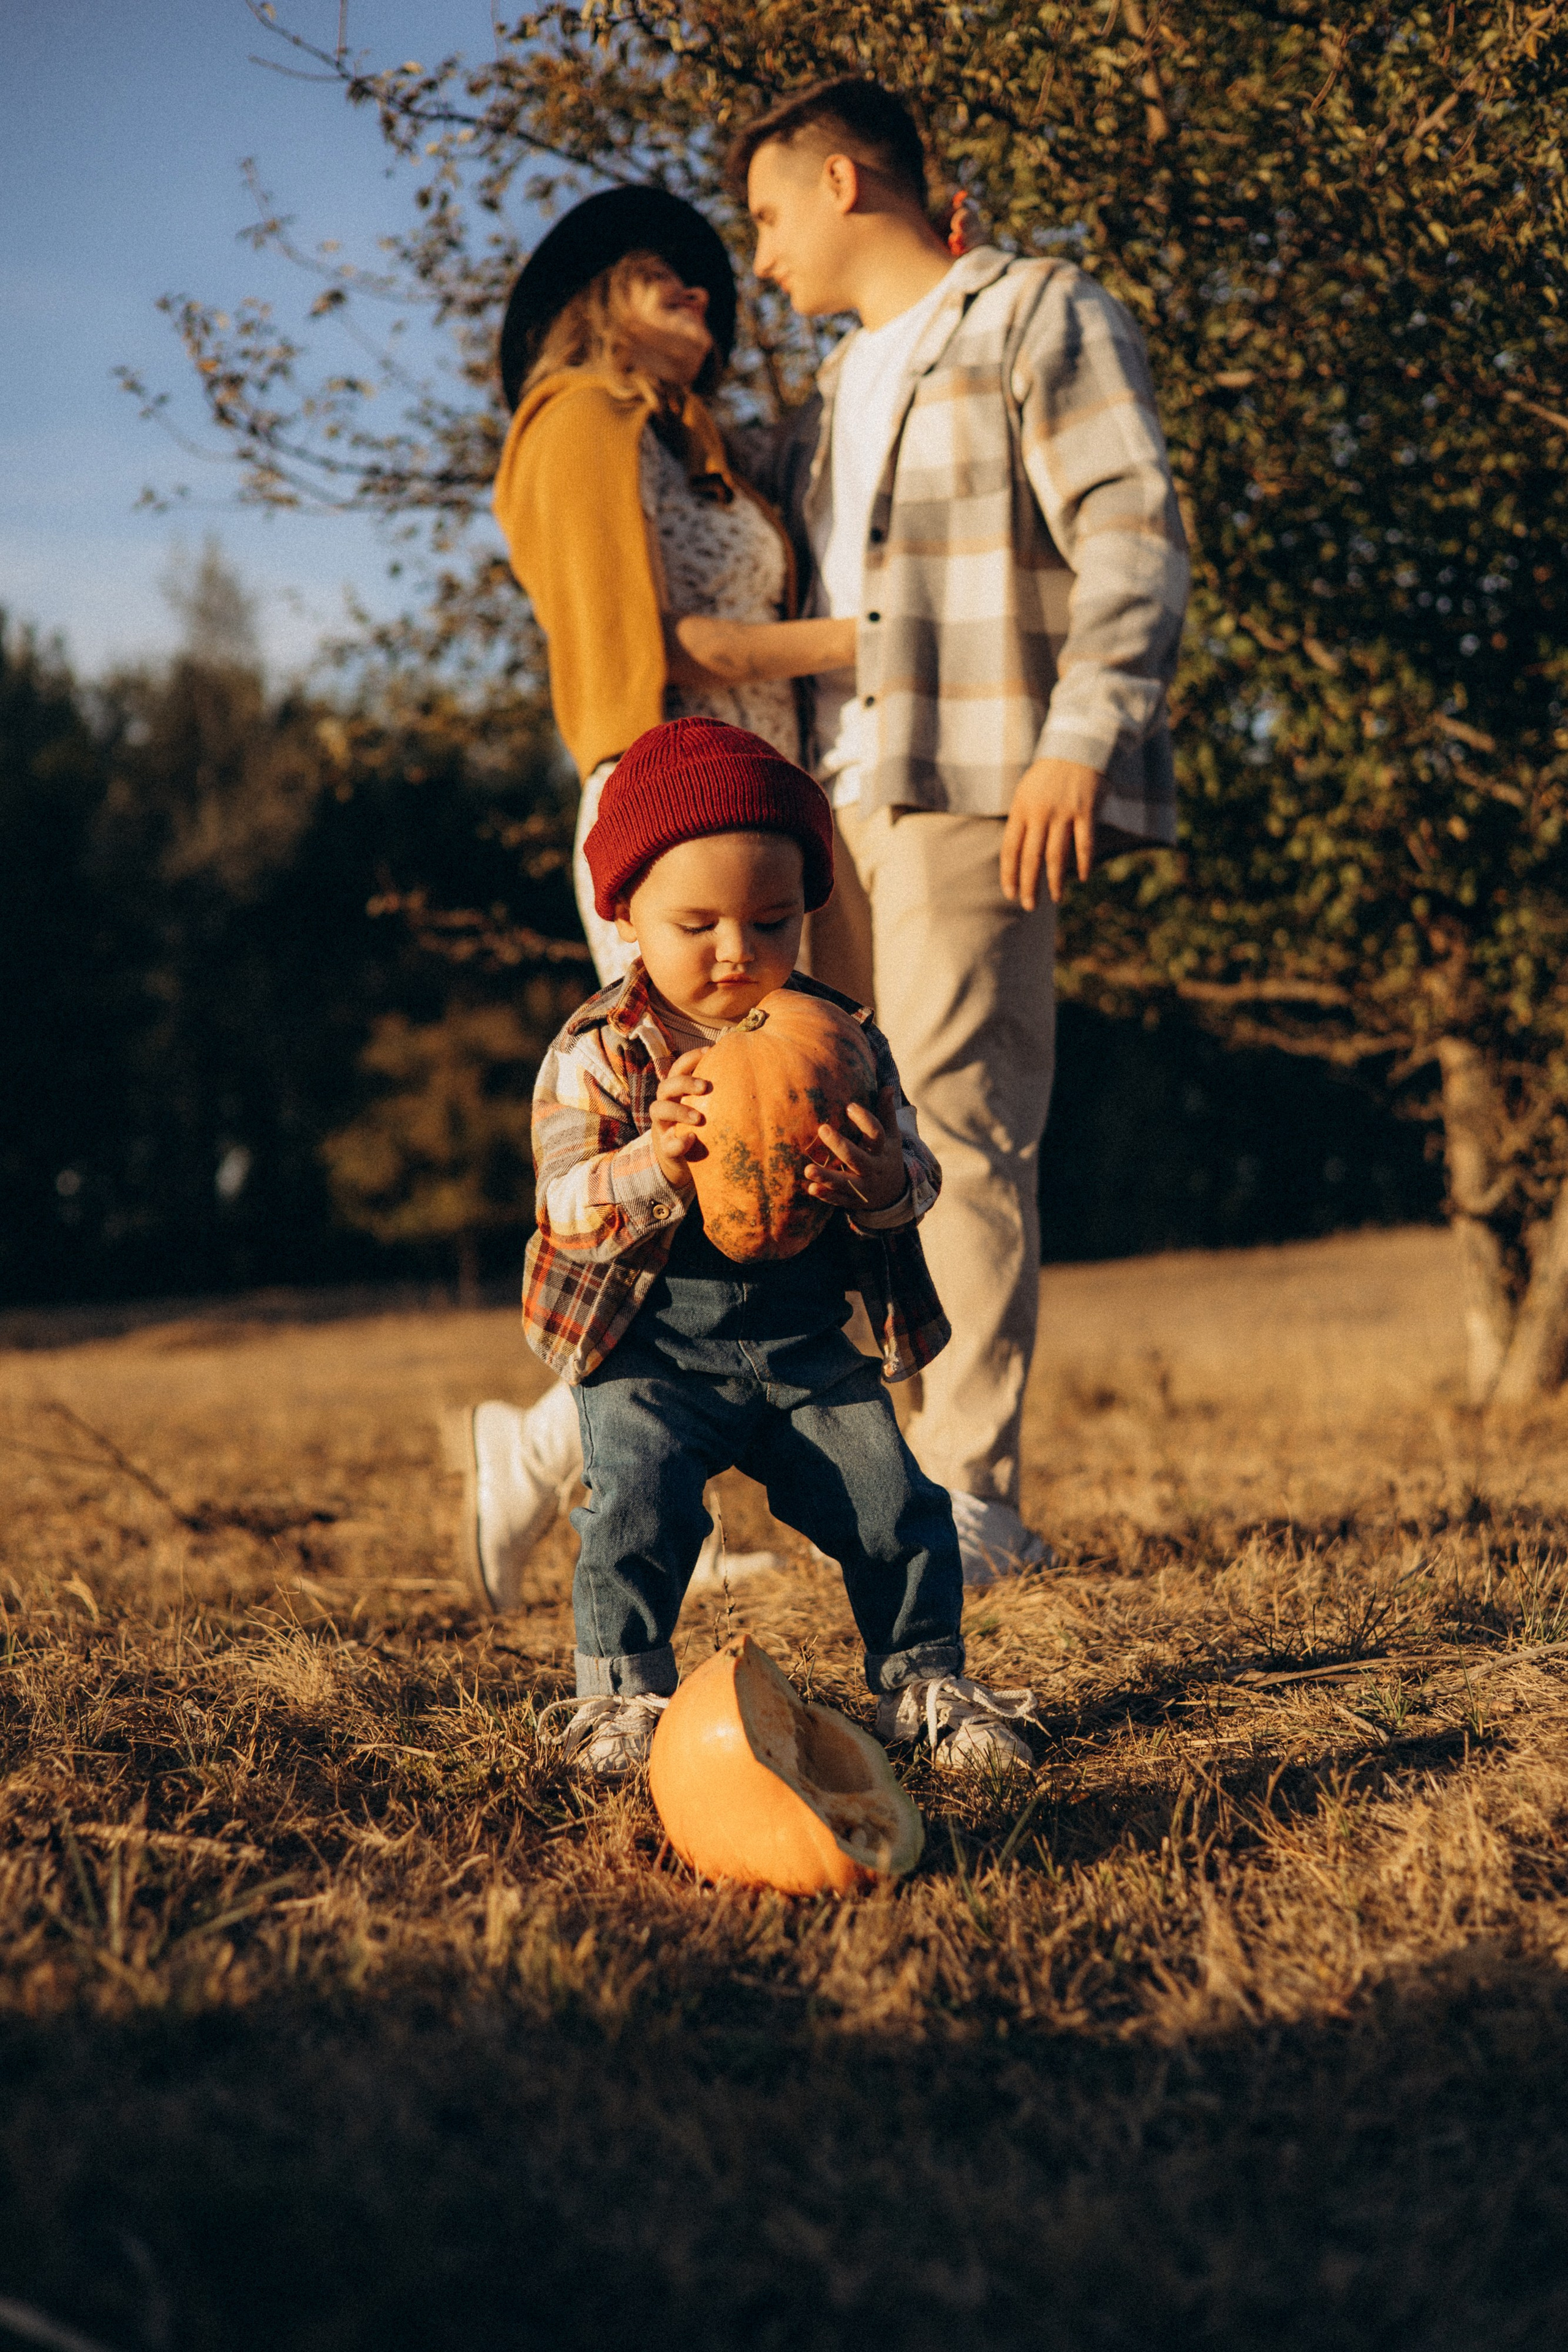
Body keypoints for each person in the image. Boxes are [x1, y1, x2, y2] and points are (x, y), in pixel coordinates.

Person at [729, 80, 1191, 1580]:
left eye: (767, 214)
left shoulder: (1032, 313)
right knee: (840, 1133)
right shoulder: (835, 392)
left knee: (961, 1125)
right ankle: (887, 1488)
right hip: (836, 799)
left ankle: (969, 1490)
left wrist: (1080, 736)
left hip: (975, 769)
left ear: (845, 181)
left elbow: (1129, 528)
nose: (761, 255)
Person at [454, 187, 855, 1611]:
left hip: (759, 808)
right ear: (597, 296)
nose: (699, 291)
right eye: (661, 275)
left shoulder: (698, 450)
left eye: (707, 280)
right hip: (667, 818)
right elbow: (656, 643)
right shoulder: (573, 418)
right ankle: (583, 1449)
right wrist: (873, 640)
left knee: (774, 1133)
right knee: (685, 1132)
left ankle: (587, 1456)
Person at [527, 715, 1040, 1778]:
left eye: (771, 921)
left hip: (801, 1343)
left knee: (895, 1499)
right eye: (696, 923)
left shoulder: (841, 1039)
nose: (736, 951)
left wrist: (884, 1186)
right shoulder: (596, 1052)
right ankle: (621, 1698)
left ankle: (924, 1680)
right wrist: (656, 1165)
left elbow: (918, 1171)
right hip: (654, 1353)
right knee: (633, 1502)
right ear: (624, 915)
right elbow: (564, 1207)